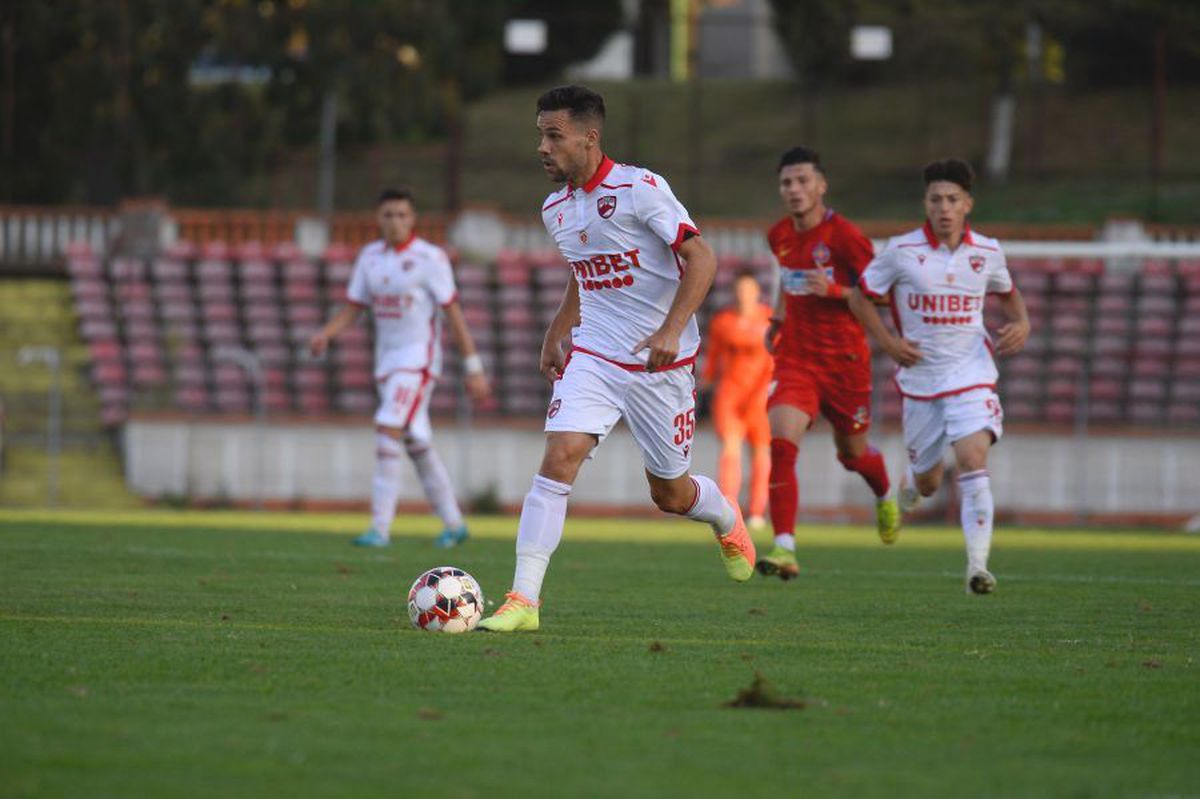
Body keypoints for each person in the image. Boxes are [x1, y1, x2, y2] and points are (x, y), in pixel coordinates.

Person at [477, 84, 756, 633]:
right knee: (560, 458)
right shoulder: (555, 208)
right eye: (540, 136)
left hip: (661, 365)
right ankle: (524, 600)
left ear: (590, 137)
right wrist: (558, 329)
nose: (542, 147)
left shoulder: (640, 189)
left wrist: (670, 329)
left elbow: (701, 258)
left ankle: (725, 514)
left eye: (554, 136)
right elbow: (584, 270)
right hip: (596, 355)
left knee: (670, 494)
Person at [847, 158, 1030, 594]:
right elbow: (859, 297)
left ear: (967, 204)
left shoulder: (987, 252)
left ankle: (977, 568)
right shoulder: (901, 251)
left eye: (952, 199)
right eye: (935, 200)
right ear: (925, 203)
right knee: (929, 482)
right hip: (921, 381)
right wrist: (889, 342)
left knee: (972, 460)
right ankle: (910, 487)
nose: (944, 208)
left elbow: (1008, 295)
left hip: (972, 374)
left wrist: (1022, 322)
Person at [309, 189, 491, 548]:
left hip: (418, 362)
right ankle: (454, 524)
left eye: (402, 215)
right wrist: (326, 334)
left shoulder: (430, 258)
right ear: (379, 219)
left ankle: (379, 528)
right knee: (416, 442)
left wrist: (474, 367)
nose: (395, 221)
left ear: (413, 219)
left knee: (388, 427)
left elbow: (453, 314)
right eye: (388, 215)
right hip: (387, 363)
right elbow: (354, 306)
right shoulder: (370, 257)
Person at [757, 146, 899, 581]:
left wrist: (836, 291)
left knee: (853, 456)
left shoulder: (846, 238)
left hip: (845, 363)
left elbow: (883, 295)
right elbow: (788, 280)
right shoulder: (779, 234)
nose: (794, 189)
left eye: (803, 181)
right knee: (782, 442)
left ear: (821, 186)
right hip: (796, 359)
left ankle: (884, 494)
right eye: (787, 182)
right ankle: (784, 547)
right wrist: (778, 318)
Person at [700, 268, 774, 529]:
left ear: (757, 292)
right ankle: (729, 508)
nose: (744, 295)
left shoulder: (769, 320)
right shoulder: (723, 321)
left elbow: (776, 359)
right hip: (730, 395)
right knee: (730, 450)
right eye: (740, 290)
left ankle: (756, 512)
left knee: (761, 453)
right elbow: (713, 357)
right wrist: (705, 385)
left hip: (760, 396)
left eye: (748, 289)